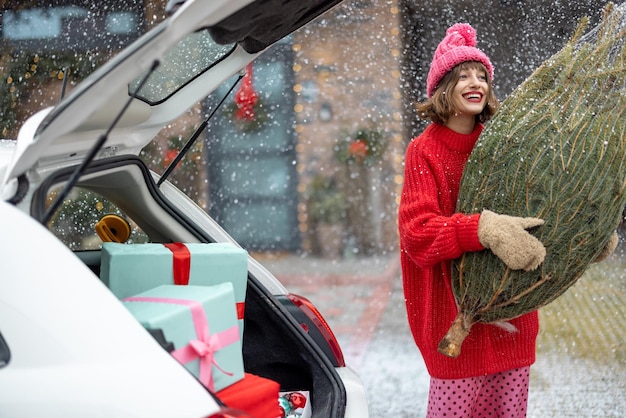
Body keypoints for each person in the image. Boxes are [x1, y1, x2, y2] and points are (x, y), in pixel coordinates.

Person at [397, 23, 547, 417]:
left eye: (482, 75)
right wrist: (480, 228)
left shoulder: (501, 147)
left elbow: (538, 208)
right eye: (462, 75)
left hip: (512, 323)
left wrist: (583, 236)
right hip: (454, 330)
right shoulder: (424, 151)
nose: (475, 82)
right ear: (443, 88)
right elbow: (418, 234)